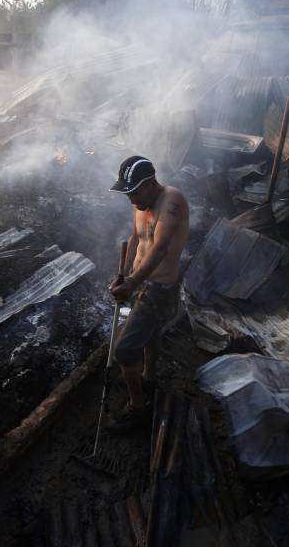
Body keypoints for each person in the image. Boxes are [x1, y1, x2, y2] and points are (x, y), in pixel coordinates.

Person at [107, 155, 189, 430]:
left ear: (151, 183)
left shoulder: (171, 201)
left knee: (125, 349)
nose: (131, 199)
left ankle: (138, 408)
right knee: (150, 334)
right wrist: (124, 274)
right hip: (142, 280)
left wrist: (131, 283)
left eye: (134, 191)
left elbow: (160, 246)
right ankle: (149, 378)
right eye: (127, 193)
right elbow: (136, 237)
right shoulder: (141, 202)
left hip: (160, 287)